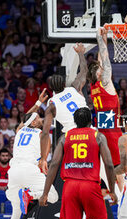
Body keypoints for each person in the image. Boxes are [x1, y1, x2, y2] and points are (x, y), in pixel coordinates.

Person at [39, 107, 117, 219]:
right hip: (90, 186)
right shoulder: (98, 136)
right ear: (90, 121)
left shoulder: (65, 137)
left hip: (70, 187)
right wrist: (112, 190)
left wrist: (45, 193)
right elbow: (108, 164)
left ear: (75, 121)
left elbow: (53, 165)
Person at [7, 89, 59, 219]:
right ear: (35, 123)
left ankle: (27, 195)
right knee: (53, 197)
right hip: (29, 169)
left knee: (15, 213)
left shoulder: (19, 130)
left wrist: (37, 103)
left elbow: (26, 118)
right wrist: (43, 160)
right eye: (38, 118)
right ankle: (31, 195)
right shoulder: (42, 134)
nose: (40, 119)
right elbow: (46, 151)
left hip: (14, 171)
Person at [40, 43, 88, 174]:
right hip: (89, 132)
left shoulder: (52, 105)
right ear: (63, 83)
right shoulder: (75, 87)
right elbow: (84, 71)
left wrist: (43, 158)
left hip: (72, 137)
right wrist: (80, 53)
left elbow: (45, 133)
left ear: (51, 89)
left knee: (72, 172)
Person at [89, 27, 123, 187]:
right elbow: (105, 59)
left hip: (101, 135)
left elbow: (101, 60)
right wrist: (101, 37)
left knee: (104, 176)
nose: (103, 69)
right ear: (99, 73)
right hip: (113, 135)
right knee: (121, 176)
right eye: (101, 69)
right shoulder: (106, 84)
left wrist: (103, 39)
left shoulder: (93, 87)